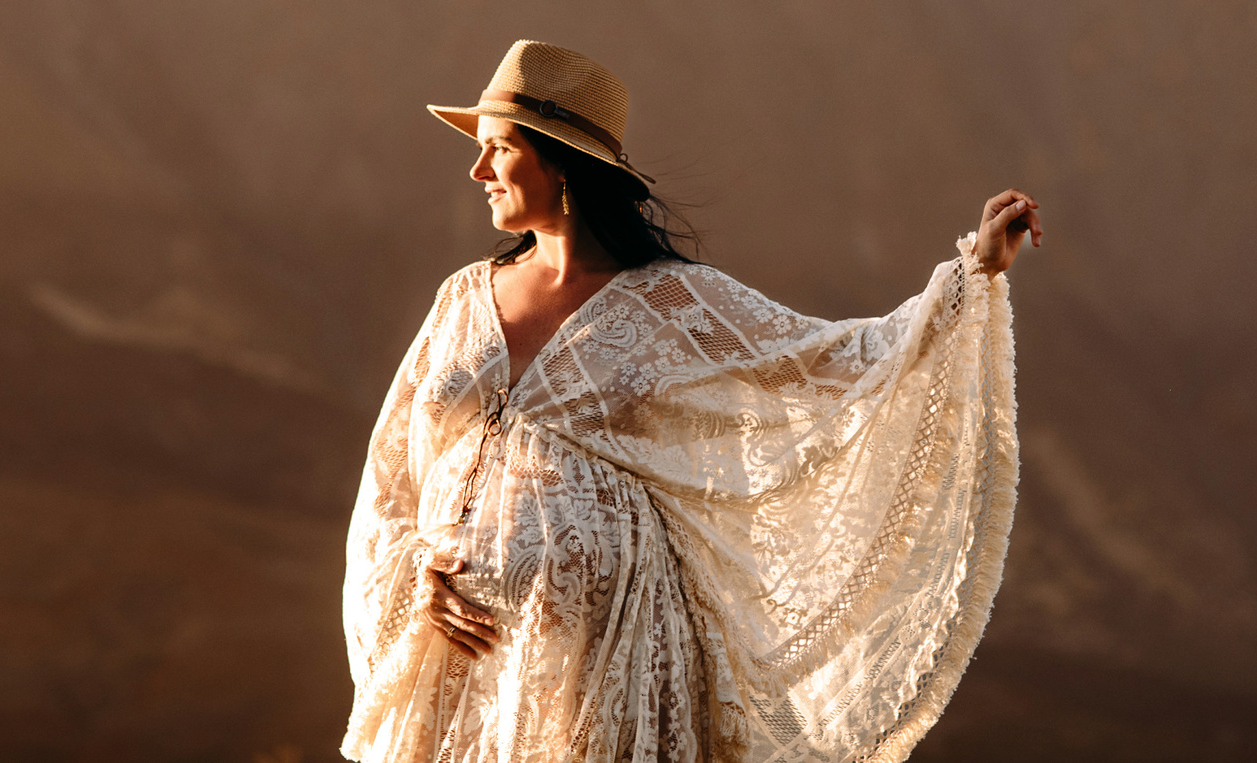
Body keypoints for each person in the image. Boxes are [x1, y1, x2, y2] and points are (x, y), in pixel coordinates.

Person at [342, 40, 1038, 763]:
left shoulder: (675, 300)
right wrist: (415, 573)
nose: (477, 170)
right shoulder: (462, 299)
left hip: (607, 660)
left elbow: (837, 362)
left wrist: (973, 270)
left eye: (498, 148)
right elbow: (392, 473)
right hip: (459, 658)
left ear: (559, 159)